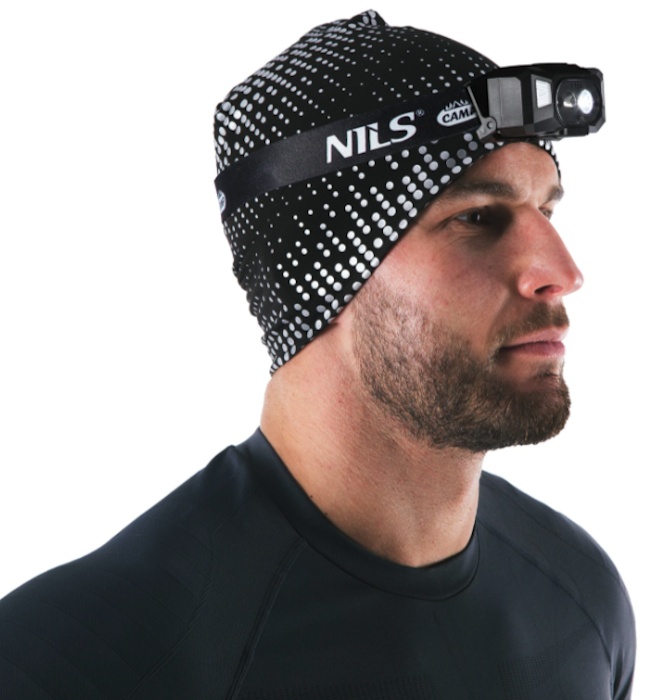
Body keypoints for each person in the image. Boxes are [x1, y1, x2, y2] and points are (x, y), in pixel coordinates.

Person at [0, 10, 635, 699]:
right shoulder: (76, 660)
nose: (562, 272)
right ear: (320, 275)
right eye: (477, 218)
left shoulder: (583, 600)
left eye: (548, 212)